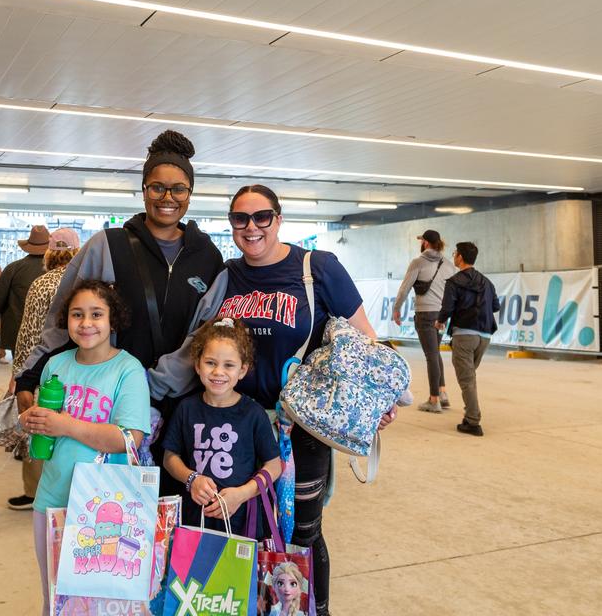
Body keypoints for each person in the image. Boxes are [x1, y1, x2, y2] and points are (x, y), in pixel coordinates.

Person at [150, 184, 395, 615]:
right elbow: (199, 342)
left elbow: (365, 345)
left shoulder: (317, 268)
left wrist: (376, 402)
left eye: (261, 217)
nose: (251, 227)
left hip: (301, 426)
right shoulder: (228, 276)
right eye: (240, 219)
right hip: (238, 425)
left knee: (303, 531)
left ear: (278, 219)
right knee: (246, 526)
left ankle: (314, 610)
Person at [17, 131, 224, 484]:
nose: (167, 198)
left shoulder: (208, 257)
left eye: (179, 189)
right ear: (144, 189)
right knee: (111, 507)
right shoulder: (108, 246)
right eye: (157, 187)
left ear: (190, 193)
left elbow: (204, 333)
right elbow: (63, 314)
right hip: (110, 402)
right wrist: (29, 375)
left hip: (182, 403)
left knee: (174, 506)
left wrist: (154, 383)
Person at [21, 281, 151, 616]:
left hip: (106, 507)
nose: (86, 323)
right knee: (55, 597)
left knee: (102, 602)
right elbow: (46, 436)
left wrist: (65, 425)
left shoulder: (128, 369)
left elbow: (129, 438)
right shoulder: (56, 365)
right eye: (77, 314)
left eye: (96, 314)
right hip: (53, 497)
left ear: (113, 320)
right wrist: (34, 421)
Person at [162, 318, 281, 534]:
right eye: (210, 363)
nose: (218, 372)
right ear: (198, 365)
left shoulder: (253, 414)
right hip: (193, 521)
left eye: (229, 365)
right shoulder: (186, 409)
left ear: (242, 370)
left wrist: (242, 493)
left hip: (240, 522)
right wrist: (191, 479)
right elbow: (170, 458)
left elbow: (274, 466)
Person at [6, 228, 81, 511]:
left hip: (41, 369)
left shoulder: (39, 283)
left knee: (38, 430)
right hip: (76, 367)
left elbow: (28, 334)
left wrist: (20, 375)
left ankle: (34, 492)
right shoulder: (82, 283)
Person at [435, 241, 500, 437]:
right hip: (485, 336)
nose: (454, 256)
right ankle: (469, 414)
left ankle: (473, 421)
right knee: (469, 377)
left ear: (460, 257)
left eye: (455, 253)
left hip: (464, 335)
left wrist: (439, 322)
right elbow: (495, 306)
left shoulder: (454, 282)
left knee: (467, 380)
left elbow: (447, 308)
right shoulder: (487, 283)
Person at [393, 229, 457, 413]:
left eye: (422, 241)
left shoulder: (417, 262)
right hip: (443, 315)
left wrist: (397, 308)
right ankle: (443, 392)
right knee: (435, 352)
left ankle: (434, 399)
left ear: (426, 243)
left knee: (431, 356)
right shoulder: (448, 264)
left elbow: (405, 288)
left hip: (425, 314)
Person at [0, 228, 50, 366]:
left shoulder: (13, 268)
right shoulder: (59, 270)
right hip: (51, 334)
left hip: (19, 333)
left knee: (21, 375)